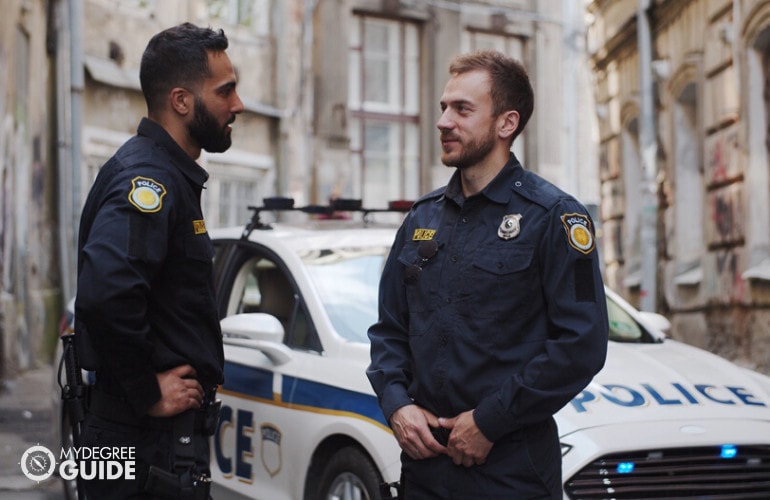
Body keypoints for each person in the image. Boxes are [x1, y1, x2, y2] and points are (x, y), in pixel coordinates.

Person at [367, 50, 609, 499]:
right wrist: (397, 405)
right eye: (443, 107)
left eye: (462, 109)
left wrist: (489, 421)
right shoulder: (424, 217)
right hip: (424, 469)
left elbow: (582, 344)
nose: (443, 121)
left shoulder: (553, 217)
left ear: (506, 124)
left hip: (510, 470)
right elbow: (388, 330)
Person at [74, 22, 244, 499]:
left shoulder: (165, 174)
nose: (237, 105)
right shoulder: (149, 180)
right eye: (225, 90)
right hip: (142, 445)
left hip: (149, 443)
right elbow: (106, 293)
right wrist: (146, 392)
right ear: (181, 101)